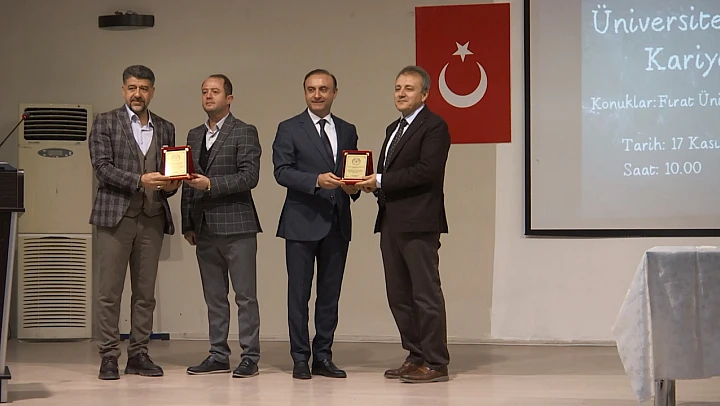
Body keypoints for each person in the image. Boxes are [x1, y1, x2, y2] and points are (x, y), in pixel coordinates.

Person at [356, 65, 451, 383]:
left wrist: (380, 180)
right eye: (398, 88)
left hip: (419, 222)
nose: (401, 93)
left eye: (409, 88)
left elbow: (427, 171)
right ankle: (416, 354)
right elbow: (389, 174)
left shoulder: (435, 126)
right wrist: (372, 185)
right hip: (391, 221)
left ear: (425, 94)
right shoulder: (392, 129)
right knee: (398, 295)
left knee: (425, 294)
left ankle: (436, 362)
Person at [89, 64, 180, 380]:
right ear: (123, 90)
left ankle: (139, 353)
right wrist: (139, 180)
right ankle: (108, 356)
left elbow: (169, 173)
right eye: (132, 88)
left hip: (152, 217)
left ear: (152, 91)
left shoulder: (165, 127)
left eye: (143, 88)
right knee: (109, 292)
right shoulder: (105, 122)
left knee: (145, 294)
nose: (137, 94)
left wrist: (172, 184)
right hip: (115, 218)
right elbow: (102, 168)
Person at [272, 69, 360, 379]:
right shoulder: (289, 128)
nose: (317, 94)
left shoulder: (347, 130)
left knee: (329, 295)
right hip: (301, 222)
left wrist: (354, 187)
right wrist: (315, 181)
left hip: (337, 222)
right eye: (311, 89)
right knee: (298, 295)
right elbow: (281, 171)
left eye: (323, 89)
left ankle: (323, 356)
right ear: (305, 92)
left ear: (335, 92)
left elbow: (352, 169)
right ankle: (300, 358)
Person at [181, 74, 262, 378]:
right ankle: (218, 354)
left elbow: (249, 176)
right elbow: (187, 182)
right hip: (204, 227)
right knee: (214, 297)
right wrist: (188, 222)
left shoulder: (244, 131)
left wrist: (211, 184)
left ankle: (250, 356)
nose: (208, 96)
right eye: (204, 91)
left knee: (245, 296)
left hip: (237, 226)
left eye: (215, 91)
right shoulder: (193, 135)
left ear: (229, 98)